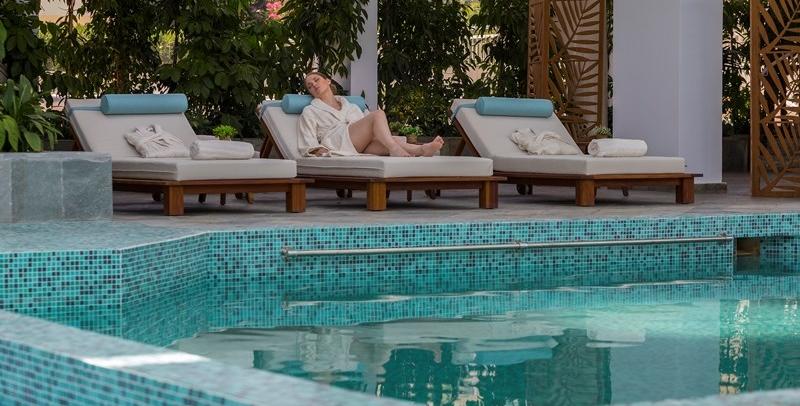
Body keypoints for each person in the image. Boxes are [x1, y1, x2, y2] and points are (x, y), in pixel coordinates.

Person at [297, 71, 444, 157]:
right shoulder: (310, 111)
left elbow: (367, 130)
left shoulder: (351, 106)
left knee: (385, 141)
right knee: (378, 115)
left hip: (357, 145)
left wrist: (381, 137)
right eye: (310, 86)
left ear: (328, 81)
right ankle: (395, 149)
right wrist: (316, 150)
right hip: (337, 142)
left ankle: (422, 149)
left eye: (316, 80)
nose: (314, 85)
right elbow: (308, 138)